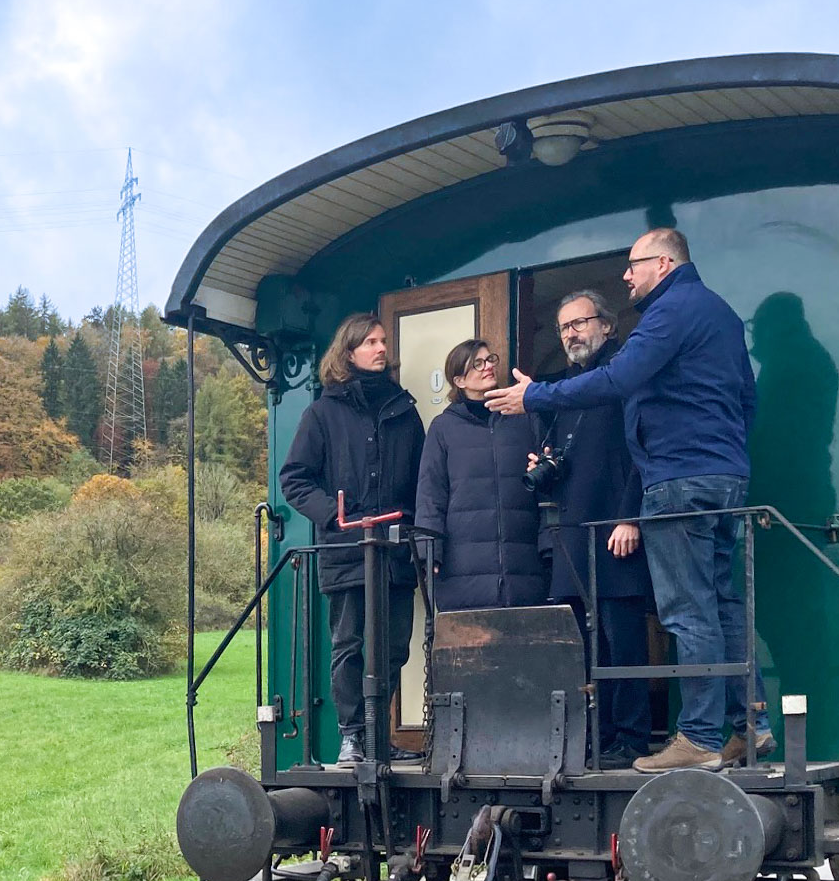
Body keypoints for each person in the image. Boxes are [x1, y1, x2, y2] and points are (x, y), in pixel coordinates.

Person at [484, 228, 770, 772]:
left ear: (663, 263)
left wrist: (535, 395)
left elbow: (618, 378)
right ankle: (749, 725)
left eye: (633, 265)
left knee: (688, 610)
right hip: (723, 475)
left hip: (679, 477)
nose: (626, 275)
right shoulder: (721, 313)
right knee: (723, 602)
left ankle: (700, 738)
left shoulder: (670, 311)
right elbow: (746, 400)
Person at [279, 312, 426, 767]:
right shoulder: (321, 413)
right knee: (349, 646)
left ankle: (377, 736)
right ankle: (351, 738)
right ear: (348, 352)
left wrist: (418, 530)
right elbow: (294, 478)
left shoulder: (405, 411)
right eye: (371, 342)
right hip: (344, 550)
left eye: (383, 341)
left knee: (395, 647)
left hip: (395, 550)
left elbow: (424, 481)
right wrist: (335, 516)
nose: (381, 348)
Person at [529, 290, 652, 768]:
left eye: (579, 323)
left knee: (624, 640)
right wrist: (544, 466)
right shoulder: (562, 390)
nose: (571, 334)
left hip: (616, 527)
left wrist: (630, 516)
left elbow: (642, 450)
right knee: (583, 643)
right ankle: (596, 737)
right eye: (564, 327)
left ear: (607, 325)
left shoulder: (625, 374)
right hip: (572, 531)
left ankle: (632, 738)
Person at [412, 338, 546, 611]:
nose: (488, 367)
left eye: (490, 360)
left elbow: (547, 484)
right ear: (459, 380)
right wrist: (429, 552)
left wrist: (549, 546)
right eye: (477, 363)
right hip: (463, 567)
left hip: (524, 562)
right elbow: (430, 495)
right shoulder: (443, 428)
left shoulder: (524, 418)